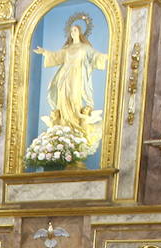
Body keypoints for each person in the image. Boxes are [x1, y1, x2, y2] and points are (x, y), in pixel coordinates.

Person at [34, 18, 109, 153]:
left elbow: (96, 56)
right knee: (62, 100)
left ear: (80, 32)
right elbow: (57, 56)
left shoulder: (85, 48)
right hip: (64, 77)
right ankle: (63, 124)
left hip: (77, 78)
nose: (73, 32)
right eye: (71, 31)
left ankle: (74, 126)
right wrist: (45, 52)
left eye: (75, 30)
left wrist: (106, 56)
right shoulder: (67, 49)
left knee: (74, 99)